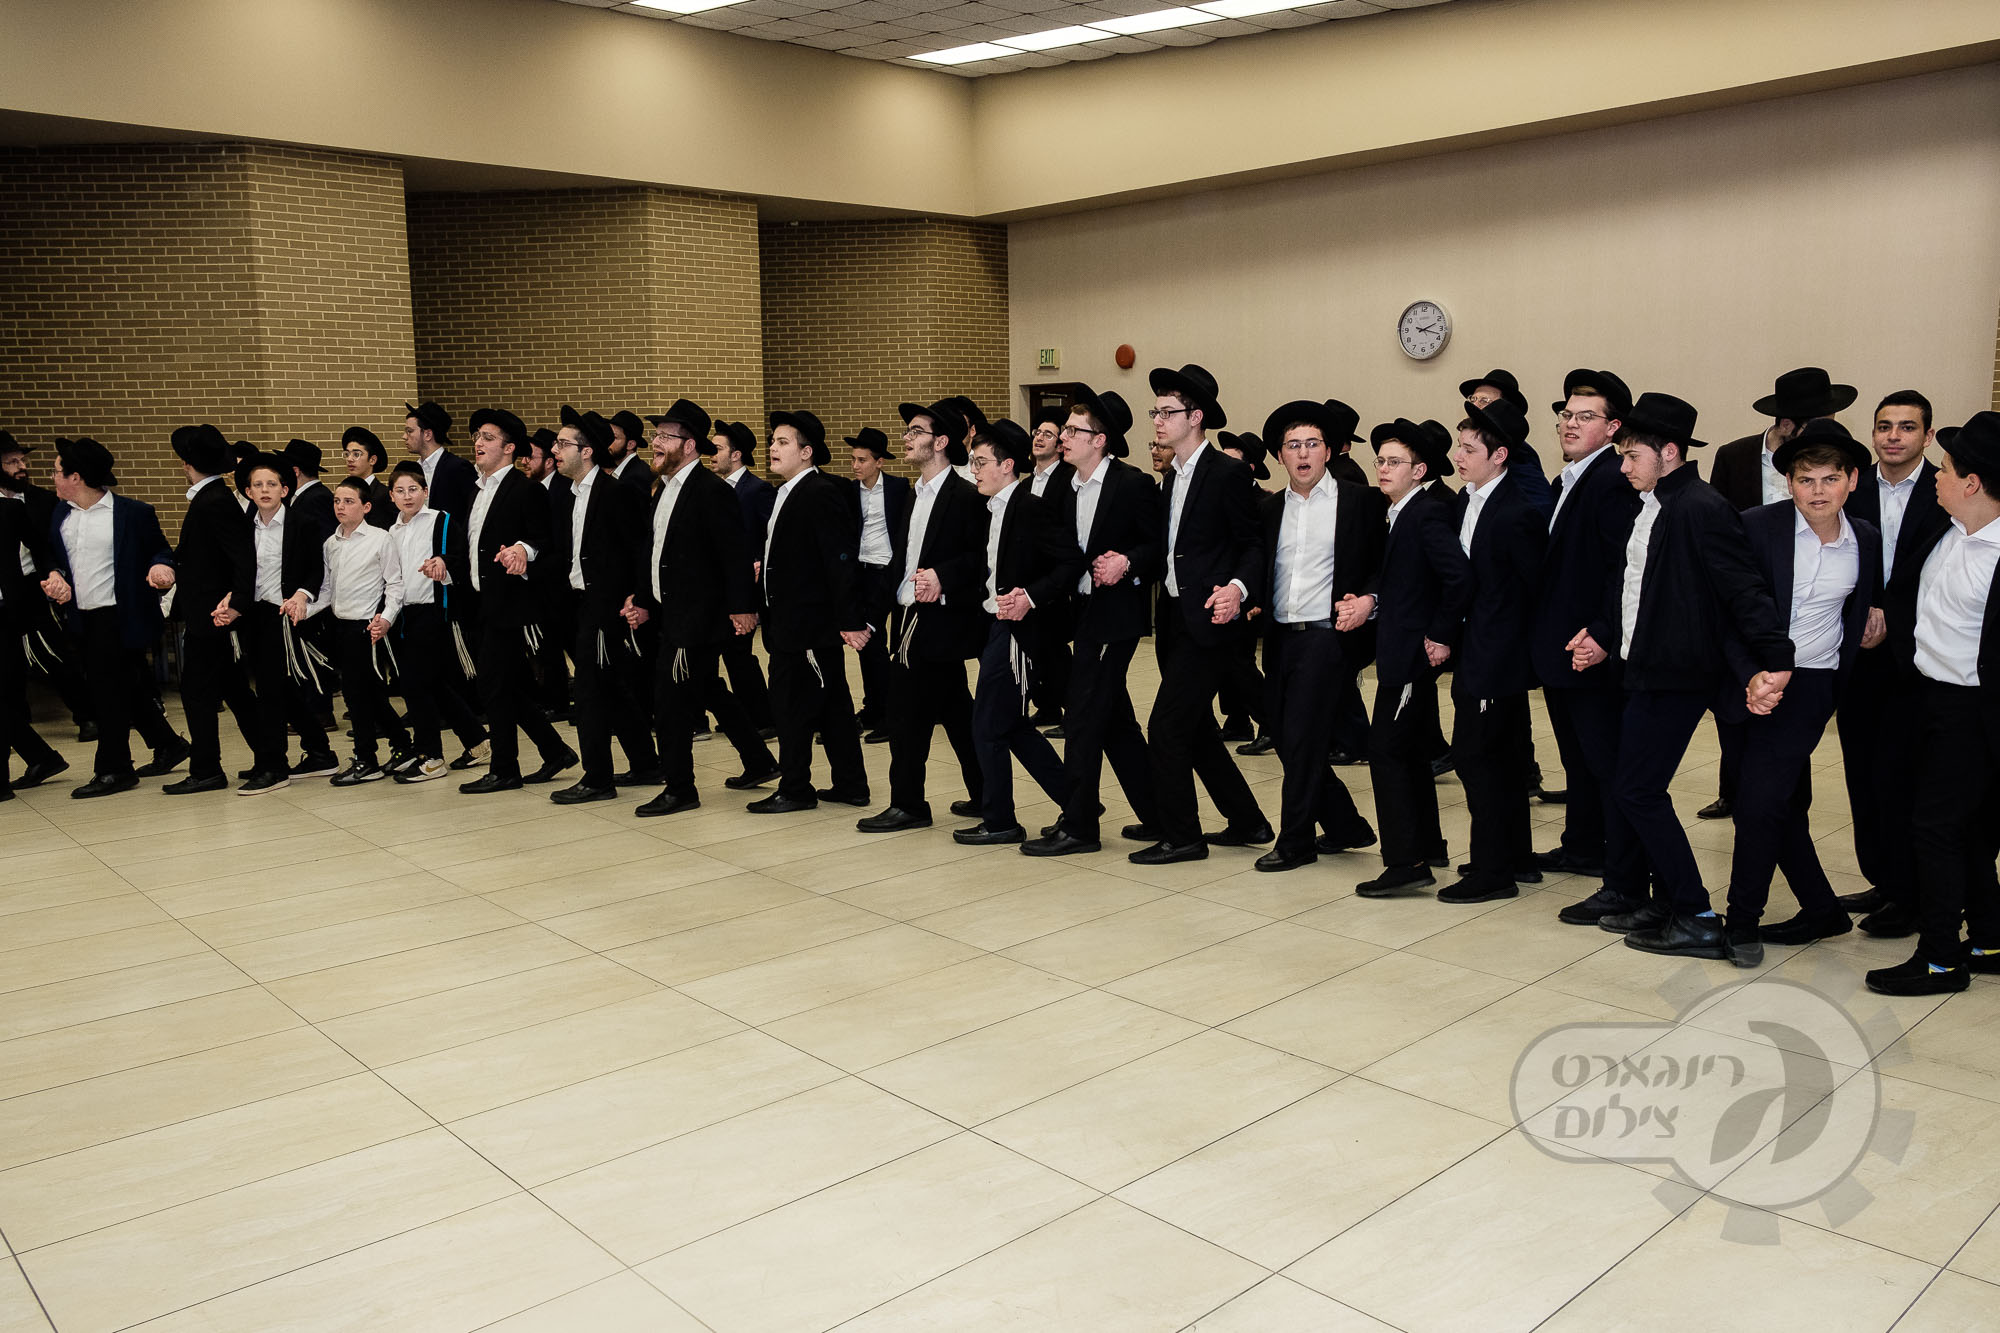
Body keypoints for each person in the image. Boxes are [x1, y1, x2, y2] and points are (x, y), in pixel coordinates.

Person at [1567, 393, 1793, 958]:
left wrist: (1776, 656)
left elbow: (1742, 588)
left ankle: (1694, 913)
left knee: (1637, 790)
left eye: (1631, 455)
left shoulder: (1700, 507)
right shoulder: (1652, 503)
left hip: (1676, 673)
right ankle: (1669, 902)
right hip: (1641, 667)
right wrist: (1607, 639)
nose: (1623, 466)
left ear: (1668, 452)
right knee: (1636, 787)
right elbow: (1634, 588)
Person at [1717, 420, 1881, 966]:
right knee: (1776, 801)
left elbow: (1861, 607)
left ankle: (1742, 921)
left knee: (1758, 803)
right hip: (1748, 680)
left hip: (1811, 684)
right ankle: (1821, 909)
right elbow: (1728, 610)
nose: (1818, 491)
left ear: (1851, 481)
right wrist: (1751, 676)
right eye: (1805, 479)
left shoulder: (1865, 539)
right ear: (1788, 483)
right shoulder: (1756, 526)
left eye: (1830, 479)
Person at [1866, 411, 2000, 996]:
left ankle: (1941, 958)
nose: (1936, 477)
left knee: (1937, 828)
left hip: (1974, 712)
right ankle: (1991, 936)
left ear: (1972, 483)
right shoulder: (1947, 532)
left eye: (1945, 469)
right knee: (1962, 830)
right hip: (1927, 697)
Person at [1699, 366, 1856, 820]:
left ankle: (1778, 806)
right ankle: (1734, 792)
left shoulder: (1832, 479)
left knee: (1781, 762)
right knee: (1740, 728)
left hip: (1805, 626)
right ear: (1787, 424)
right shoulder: (1735, 456)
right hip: (1746, 611)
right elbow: (1719, 530)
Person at [1133, 363, 1269, 865]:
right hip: (1173, 618)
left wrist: (1238, 588)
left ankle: (1183, 836)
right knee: (1195, 727)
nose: (1157, 421)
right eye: (1155, 412)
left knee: (1167, 727)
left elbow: (1253, 545)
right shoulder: (1172, 478)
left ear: (1195, 417)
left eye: (1167, 412)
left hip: (1210, 621)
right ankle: (1248, 820)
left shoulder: (1226, 473)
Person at [1022, 387, 1163, 857]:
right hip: (1080, 613)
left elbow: (1157, 547)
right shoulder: (1065, 484)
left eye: (1073, 430)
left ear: (1099, 440)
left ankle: (1080, 825)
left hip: (1115, 617)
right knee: (1115, 721)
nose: (1063, 437)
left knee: (1081, 719)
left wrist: (1127, 561)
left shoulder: (1132, 484)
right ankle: (1158, 815)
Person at [1531, 373, 1648, 925]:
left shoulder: (1611, 479)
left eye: (1586, 417)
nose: (1570, 425)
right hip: (1562, 646)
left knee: (1606, 764)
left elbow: (1620, 567)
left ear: (1614, 427)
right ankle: (1581, 844)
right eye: (1566, 415)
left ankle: (1623, 878)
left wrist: (1603, 632)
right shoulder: (1569, 478)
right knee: (1576, 757)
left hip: (1591, 647)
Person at [626, 400, 777, 816]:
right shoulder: (665, 489)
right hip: (670, 612)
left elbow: (734, 554)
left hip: (695, 617)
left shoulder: (711, 491)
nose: (655, 442)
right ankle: (759, 760)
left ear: (689, 444)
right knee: (707, 688)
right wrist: (642, 600)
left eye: (664, 436)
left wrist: (743, 608)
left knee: (670, 701)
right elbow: (655, 552)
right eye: (655, 435)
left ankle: (680, 788)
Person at [1251, 399, 1383, 873]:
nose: (1303, 453)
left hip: (1329, 638)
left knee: (1304, 738)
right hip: (1280, 637)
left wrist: (1370, 600)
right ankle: (1346, 826)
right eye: (1293, 446)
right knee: (1288, 738)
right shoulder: (1269, 509)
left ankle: (1296, 841)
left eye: (1312, 444)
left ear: (1329, 451)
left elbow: (1386, 564)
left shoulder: (1360, 502)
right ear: (1280, 456)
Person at [1836, 390, 1950, 937]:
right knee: (1861, 773)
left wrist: (1891, 617)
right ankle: (1881, 878)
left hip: (1917, 658)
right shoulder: (1851, 487)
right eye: (1884, 426)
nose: (1893, 436)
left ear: (1928, 436)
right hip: (1857, 654)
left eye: (1907, 427)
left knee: (1901, 777)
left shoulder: (1946, 490)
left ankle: (1911, 894)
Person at [856, 400, 985, 832]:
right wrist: (871, 619)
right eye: (907, 431)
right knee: (956, 713)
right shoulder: (915, 494)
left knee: (907, 716)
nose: (906, 438)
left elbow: (981, 557)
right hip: (909, 619)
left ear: (941, 441)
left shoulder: (965, 495)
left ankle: (909, 804)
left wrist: (943, 576)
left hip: (939, 621)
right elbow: (902, 563)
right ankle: (985, 793)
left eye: (916, 431)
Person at [1441, 396, 1546, 903]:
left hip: (1496, 654)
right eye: (1458, 446)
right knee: (1499, 758)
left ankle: (1492, 871)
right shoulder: (1468, 500)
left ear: (1499, 456)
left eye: (1469, 449)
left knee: (1477, 757)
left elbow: (1533, 588)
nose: (1458, 457)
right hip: (1476, 647)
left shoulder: (1515, 511)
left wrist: (1509, 652)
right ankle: (1514, 855)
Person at [39, 438, 188, 797]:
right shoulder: (60, 514)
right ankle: (168, 744)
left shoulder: (132, 513)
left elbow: (160, 550)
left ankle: (115, 768)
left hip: (120, 616)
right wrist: (55, 574)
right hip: (81, 617)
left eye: (57, 472)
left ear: (76, 477)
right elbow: (51, 556)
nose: (52, 477)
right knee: (126, 686)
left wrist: (161, 567)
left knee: (106, 693)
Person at [955, 419, 1077, 845]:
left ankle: (1001, 820)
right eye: (973, 462)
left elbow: (1070, 562)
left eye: (981, 462)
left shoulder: (1029, 507)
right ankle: (1076, 801)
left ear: (1007, 465)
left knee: (987, 725)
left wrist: (1031, 596)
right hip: (996, 627)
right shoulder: (991, 508)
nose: (974, 470)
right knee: (1009, 725)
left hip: (1019, 633)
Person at [1357, 418, 1466, 896]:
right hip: (1399, 647)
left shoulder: (1425, 513)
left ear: (1419, 471)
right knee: (1413, 751)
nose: (1383, 468)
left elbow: (1458, 578)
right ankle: (1428, 845)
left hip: (1409, 654)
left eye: (1394, 462)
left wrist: (1440, 634)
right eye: (1380, 460)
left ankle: (1406, 861)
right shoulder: (1400, 511)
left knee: (1386, 751)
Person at [751, 410, 870, 813]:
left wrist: (849, 619)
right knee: (832, 705)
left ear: (806, 452)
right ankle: (851, 784)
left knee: (792, 708)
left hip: (807, 624)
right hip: (790, 621)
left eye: (782, 442)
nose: (773, 447)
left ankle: (796, 787)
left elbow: (839, 559)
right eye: (773, 441)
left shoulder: (818, 492)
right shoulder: (787, 491)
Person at [456, 409, 577, 793]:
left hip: (512, 604)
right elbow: (473, 545)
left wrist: (523, 550)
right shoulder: (476, 490)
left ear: (509, 448)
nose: (479, 442)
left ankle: (505, 767)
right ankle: (555, 750)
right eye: (478, 436)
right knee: (506, 686)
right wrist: (445, 562)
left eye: (488, 438)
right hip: (481, 602)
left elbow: (545, 540)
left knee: (493, 686)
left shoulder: (526, 490)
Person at [545, 406, 652, 804]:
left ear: (587, 451)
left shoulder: (614, 492)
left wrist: (636, 597)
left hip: (605, 607)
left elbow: (639, 548)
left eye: (563, 444)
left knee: (589, 694)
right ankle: (646, 763)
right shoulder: (569, 493)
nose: (555, 450)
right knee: (613, 688)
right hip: (578, 603)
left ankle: (597, 778)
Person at [161, 423, 259, 795]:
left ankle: (206, 769)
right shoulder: (212, 497)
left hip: (214, 615)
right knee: (234, 689)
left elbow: (242, 558)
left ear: (187, 464)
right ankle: (269, 756)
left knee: (197, 691)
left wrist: (236, 603)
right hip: (210, 612)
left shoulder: (214, 500)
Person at [296, 476, 413, 785]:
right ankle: (403, 746)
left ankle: (366, 759)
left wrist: (386, 618)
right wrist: (303, 609)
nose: (341, 506)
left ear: (366, 506)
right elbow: (326, 590)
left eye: (348, 501)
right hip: (339, 626)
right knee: (369, 694)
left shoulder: (380, 539)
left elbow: (395, 585)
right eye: (337, 501)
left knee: (356, 696)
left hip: (366, 628)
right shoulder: (331, 544)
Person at [382, 462, 486, 782]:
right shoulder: (391, 531)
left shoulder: (441, 520)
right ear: (391, 496)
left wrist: (442, 562)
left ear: (425, 492)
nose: (407, 496)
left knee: (415, 686)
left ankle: (431, 756)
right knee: (433, 684)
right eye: (400, 491)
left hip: (434, 612)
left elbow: (461, 556)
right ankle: (477, 742)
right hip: (403, 614)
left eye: (413, 489)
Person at [240, 452, 332, 793]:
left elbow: (316, 568)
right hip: (252, 614)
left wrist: (302, 595)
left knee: (269, 692)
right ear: (248, 491)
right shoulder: (243, 525)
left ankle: (273, 766)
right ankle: (320, 751)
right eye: (258, 485)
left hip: (284, 614)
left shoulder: (302, 522)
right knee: (281, 688)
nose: (265, 490)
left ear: (284, 489)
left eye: (271, 484)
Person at [710, 420, 777, 738]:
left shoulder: (756, 489)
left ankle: (763, 717)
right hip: (721, 587)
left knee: (738, 656)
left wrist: (760, 561)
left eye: (717, 449)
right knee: (730, 655)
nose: (711, 454)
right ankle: (744, 714)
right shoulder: (717, 489)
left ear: (736, 455)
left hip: (746, 587)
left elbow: (771, 533)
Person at [846, 425, 909, 742]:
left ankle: (888, 714)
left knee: (879, 641)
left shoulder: (899, 488)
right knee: (866, 643)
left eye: (862, 460)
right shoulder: (848, 491)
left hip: (888, 571)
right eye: (853, 459)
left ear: (879, 461)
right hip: (861, 571)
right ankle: (873, 707)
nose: (855, 466)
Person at [1025, 407, 1076, 731]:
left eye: (1047, 434)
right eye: (1037, 433)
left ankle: (1072, 710)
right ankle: (1047, 706)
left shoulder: (1067, 480)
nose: (1039, 438)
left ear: (1059, 445)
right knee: (1037, 648)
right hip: (1031, 579)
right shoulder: (1028, 482)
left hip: (1057, 577)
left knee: (1056, 649)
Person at [404, 401, 475, 521]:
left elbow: (471, 513)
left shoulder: (458, 468)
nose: (404, 437)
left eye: (409, 431)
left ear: (427, 434)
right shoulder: (412, 469)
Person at [340, 427, 396, 530]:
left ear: (372, 460)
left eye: (356, 454)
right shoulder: (343, 492)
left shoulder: (384, 496)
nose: (349, 459)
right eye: (347, 454)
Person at [606, 410, 656, 498]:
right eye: (607, 435)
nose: (607, 441)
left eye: (614, 437)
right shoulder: (621, 470)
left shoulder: (639, 478)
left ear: (630, 445)